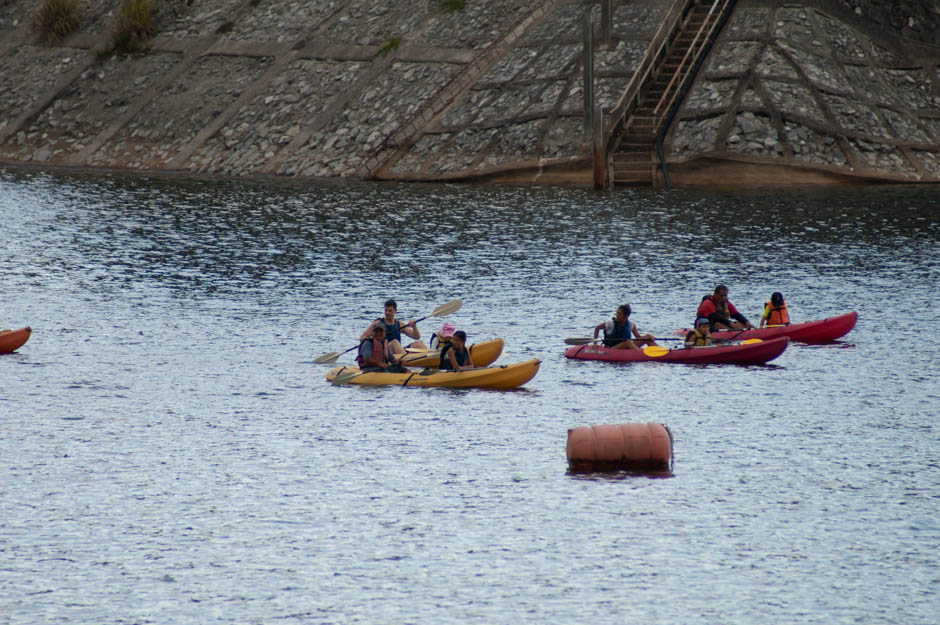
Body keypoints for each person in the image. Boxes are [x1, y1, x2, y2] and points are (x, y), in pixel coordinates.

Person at [361, 299, 428, 356]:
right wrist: (372, 341)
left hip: (399, 352)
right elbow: (362, 338)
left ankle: (431, 359)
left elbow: (416, 337)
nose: (387, 313)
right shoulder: (377, 323)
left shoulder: (400, 324)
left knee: (419, 343)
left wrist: (414, 327)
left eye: (390, 311)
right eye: (386, 310)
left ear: (395, 311)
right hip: (385, 352)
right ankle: (405, 362)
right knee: (394, 342)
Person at [592, 304, 659, 350]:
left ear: (626, 316)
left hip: (627, 346)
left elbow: (638, 338)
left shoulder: (631, 324)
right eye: (617, 313)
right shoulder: (610, 323)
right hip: (612, 348)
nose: (617, 315)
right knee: (628, 342)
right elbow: (597, 328)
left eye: (619, 314)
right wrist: (595, 343)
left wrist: (649, 336)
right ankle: (641, 354)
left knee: (647, 338)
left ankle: (664, 352)